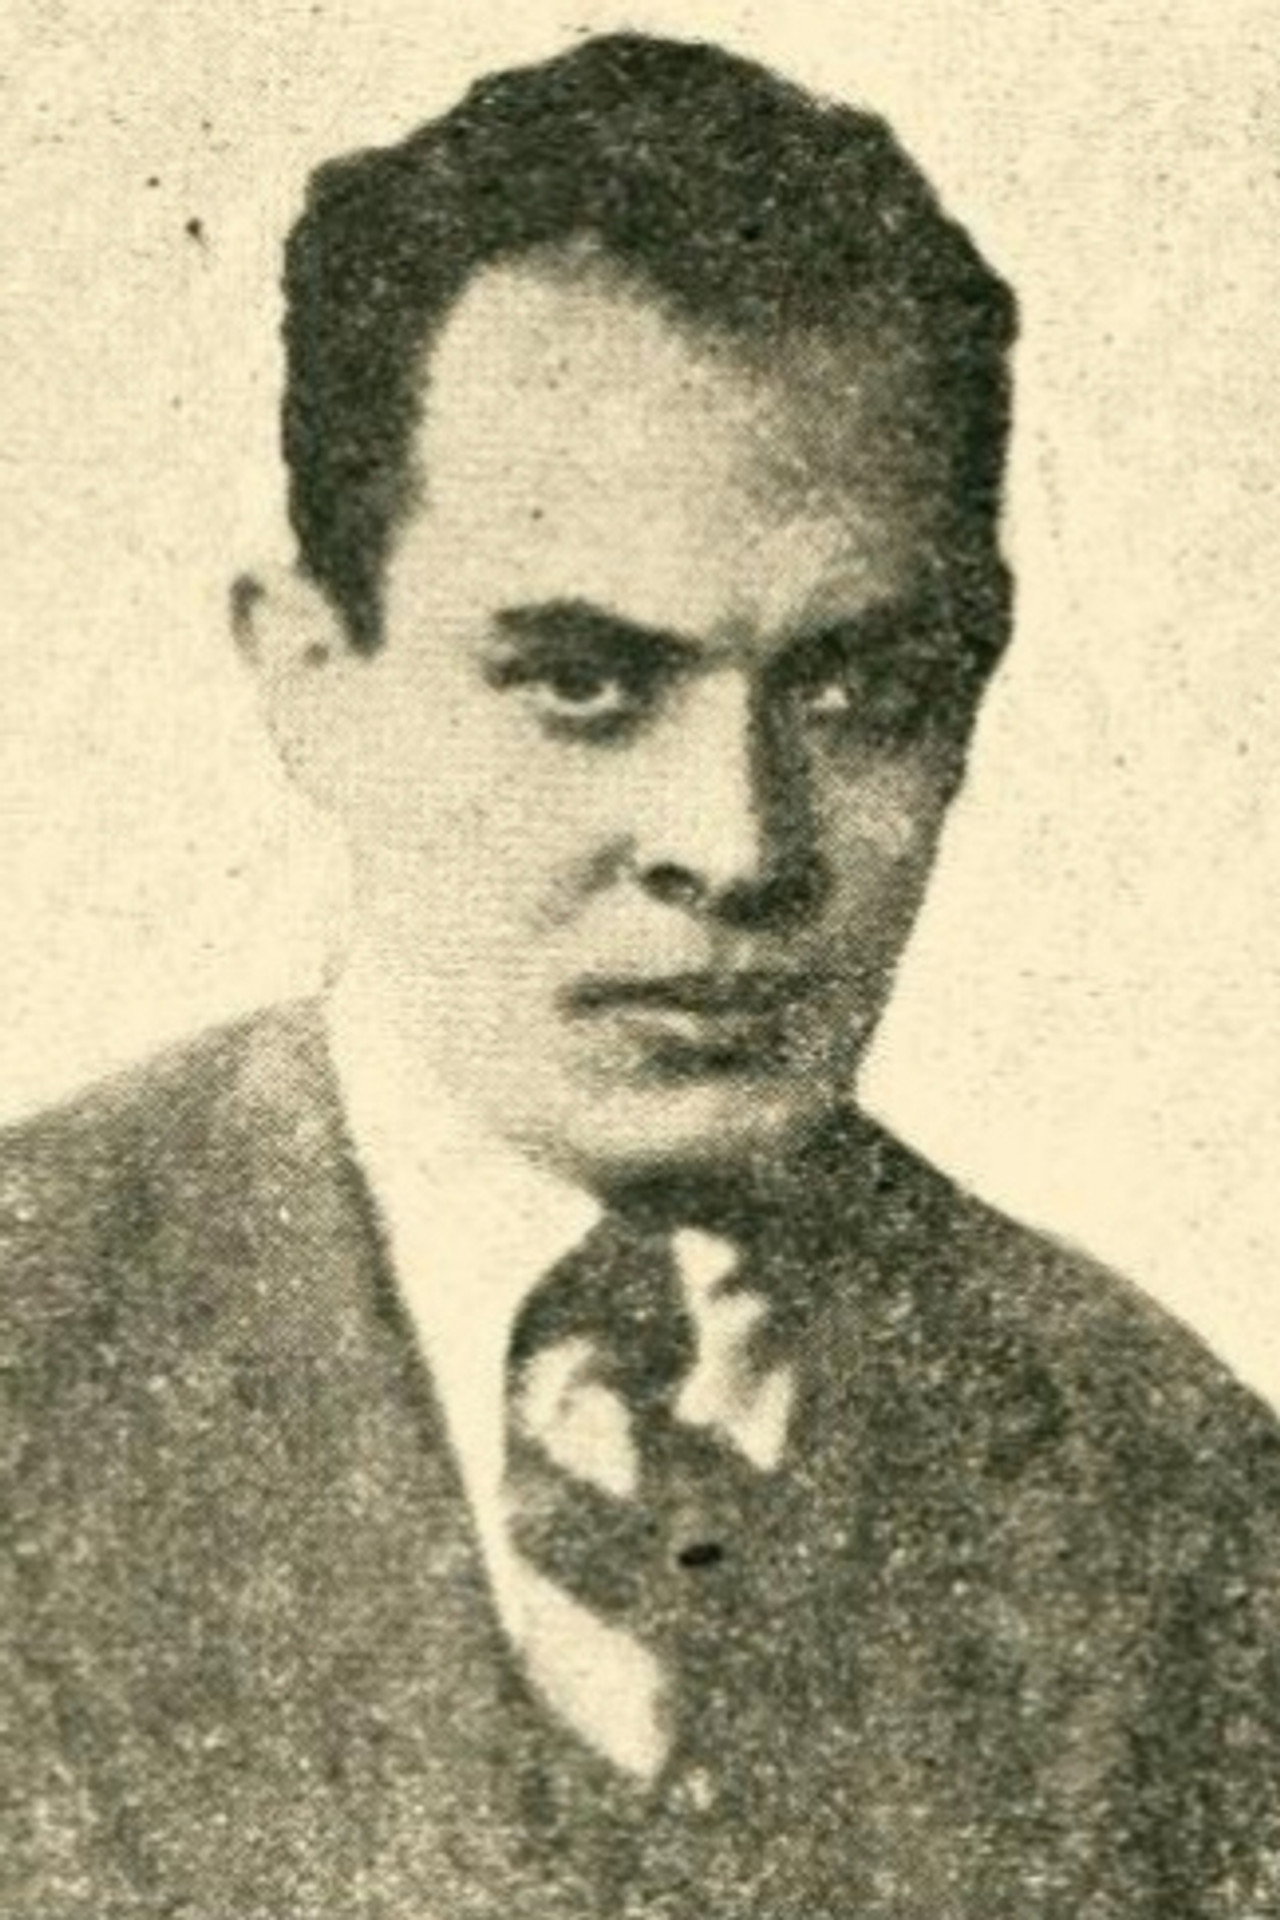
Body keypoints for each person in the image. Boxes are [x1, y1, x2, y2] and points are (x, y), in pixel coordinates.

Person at [3, 32, 1279, 1919]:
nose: (738, 844)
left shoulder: (1177, 1491)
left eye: (859, 691)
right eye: (585, 684)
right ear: (312, 675)